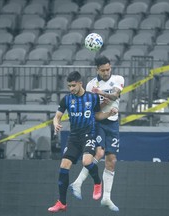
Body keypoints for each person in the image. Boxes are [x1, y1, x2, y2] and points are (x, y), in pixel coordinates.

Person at [48, 71, 118, 213]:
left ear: (80, 83)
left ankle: (97, 182)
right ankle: (62, 202)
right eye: (69, 86)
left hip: (89, 135)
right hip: (73, 137)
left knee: (86, 162)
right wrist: (55, 123)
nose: (71, 89)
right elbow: (57, 117)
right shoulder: (67, 99)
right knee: (63, 166)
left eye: (73, 85)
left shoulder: (92, 98)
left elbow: (97, 115)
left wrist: (108, 114)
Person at [70, 55, 124, 212]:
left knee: (112, 160)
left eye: (108, 69)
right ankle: (78, 183)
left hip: (113, 123)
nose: (106, 72)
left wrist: (102, 93)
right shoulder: (91, 85)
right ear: (97, 70)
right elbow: (93, 110)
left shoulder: (118, 79)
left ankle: (106, 198)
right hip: (99, 122)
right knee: (99, 152)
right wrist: (101, 102)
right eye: (103, 70)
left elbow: (115, 95)